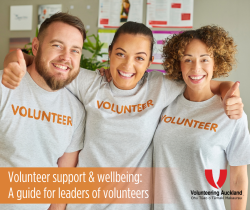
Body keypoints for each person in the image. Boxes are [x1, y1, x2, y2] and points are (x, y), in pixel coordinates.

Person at [2, 22, 244, 210]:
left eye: (139, 57)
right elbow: (49, 66)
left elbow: (201, 80)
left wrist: (227, 90)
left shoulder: (161, 86)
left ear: (150, 61)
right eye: (120, 54)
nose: (128, 65)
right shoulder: (90, 83)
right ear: (109, 53)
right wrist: (15, 58)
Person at [153, 25, 250, 210]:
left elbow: (238, 178)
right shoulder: (165, 102)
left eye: (205, 60)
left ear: (216, 63)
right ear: (178, 63)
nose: (196, 68)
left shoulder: (231, 112)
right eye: (188, 59)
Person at [0, 13, 86, 210]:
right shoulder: (4, 88)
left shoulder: (76, 111)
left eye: (75, 50)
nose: (66, 57)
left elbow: (63, 183)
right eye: (57, 45)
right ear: (36, 47)